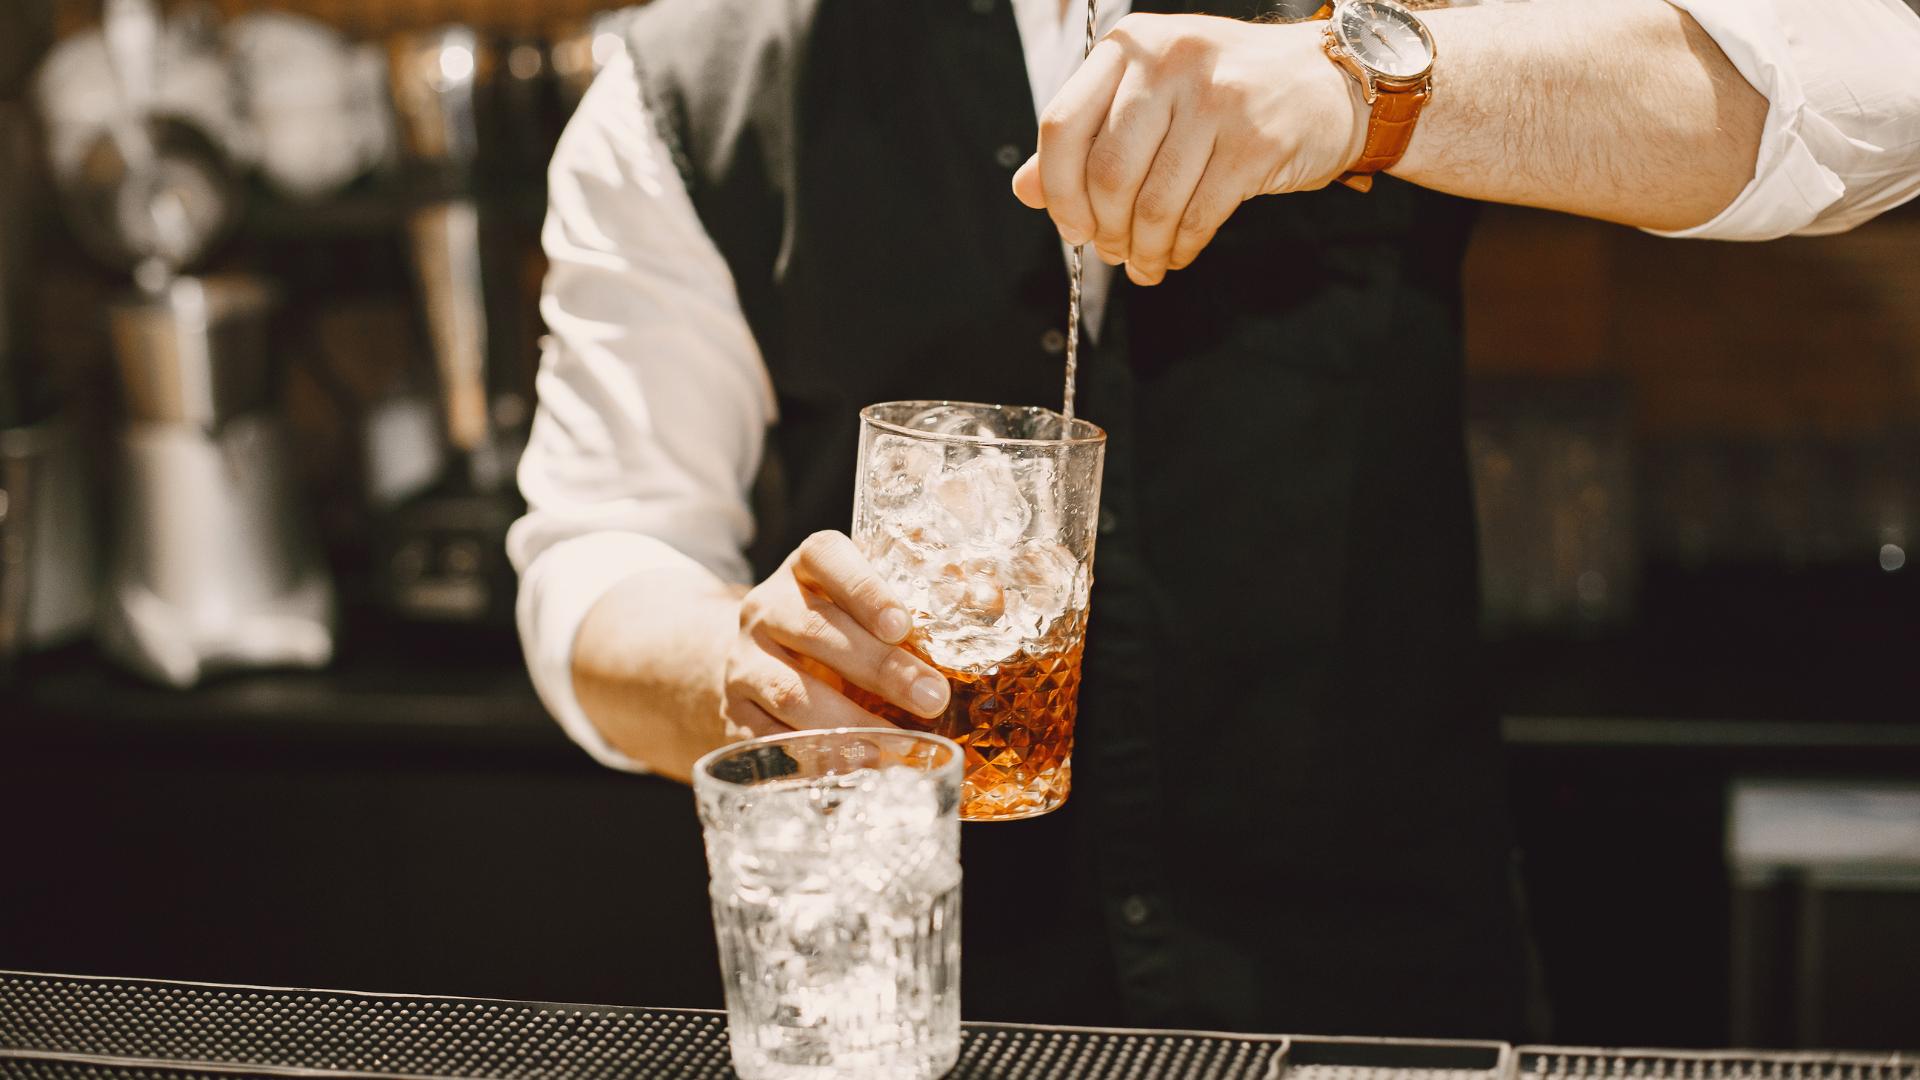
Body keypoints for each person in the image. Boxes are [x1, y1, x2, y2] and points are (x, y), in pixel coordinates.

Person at [509, 0, 1920, 1038]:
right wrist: (737, 669)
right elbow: (597, 552)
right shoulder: (686, 83)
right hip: (920, 1020)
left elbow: (1877, 95)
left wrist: (1372, 88)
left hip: (1374, 1010)